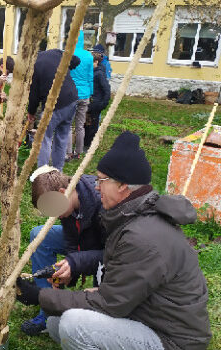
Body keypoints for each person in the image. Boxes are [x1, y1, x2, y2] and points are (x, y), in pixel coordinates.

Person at [16, 131, 212, 350]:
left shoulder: (143, 237)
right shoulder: (127, 218)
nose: (97, 186)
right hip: (141, 314)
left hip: (171, 338)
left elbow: (110, 303)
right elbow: (114, 286)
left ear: (122, 185)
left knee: (73, 324)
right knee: (55, 323)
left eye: (102, 180)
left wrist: (43, 296)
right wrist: (69, 274)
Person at [21, 166, 105, 335]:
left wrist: (75, 263)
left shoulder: (101, 202)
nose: (54, 215)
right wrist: (68, 273)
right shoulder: (68, 206)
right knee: (39, 235)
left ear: (62, 192)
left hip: (108, 252)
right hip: (87, 246)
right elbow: (72, 238)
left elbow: (114, 254)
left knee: (100, 310)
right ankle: (48, 307)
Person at [28, 49, 80, 171]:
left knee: (44, 138)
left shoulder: (35, 65)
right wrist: (64, 68)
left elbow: (34, 94)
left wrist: (31, 112)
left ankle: (43, 173)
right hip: (72, 99)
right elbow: (76, 60)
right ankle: (58, 171)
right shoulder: (56, 53)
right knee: (62, 137)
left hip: (54, 104)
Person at [66, 30, 93, 160]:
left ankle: (68, 152)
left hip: (71, 94)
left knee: (68, 125)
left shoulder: (68, 54)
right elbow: (90, 77)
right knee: (80, 125)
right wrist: (90, 92)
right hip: (85, 94)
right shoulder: (89, 56)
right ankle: (78, 152)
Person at [84, 51, 111, 149]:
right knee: (86, 124)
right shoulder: (92, 72)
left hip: (96, 103)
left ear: (96, 62)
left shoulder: (99, 74)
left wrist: (102, 104)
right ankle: (85, 143)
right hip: (89, 103)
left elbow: (107, 90)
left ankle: (90, 146)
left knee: (93, 126)